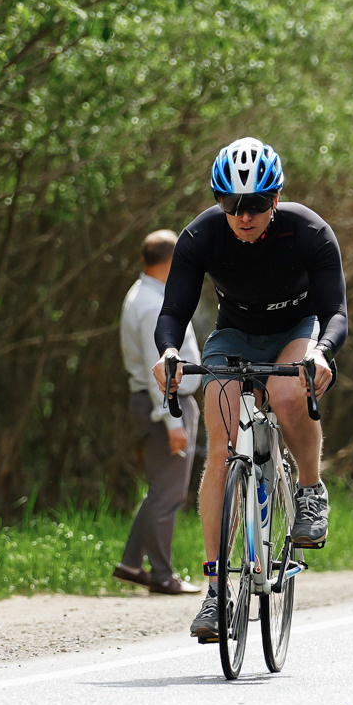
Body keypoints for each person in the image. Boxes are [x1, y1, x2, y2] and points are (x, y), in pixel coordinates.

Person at [153, 137, 345, 643]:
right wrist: (169, 352)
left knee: (286, 393)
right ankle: (217, 591)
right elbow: (173, 312)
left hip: (296, 331)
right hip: (234, 335)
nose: (244, 216)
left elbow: (336, 311)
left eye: (256, 204)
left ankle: (310, 490)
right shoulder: (201, 235)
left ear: (275, 198)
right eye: (231, 203)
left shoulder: (309, 231)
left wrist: (322, 352)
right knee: (219, 449)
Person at [114, 230, 203, 594]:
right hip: (168, 402)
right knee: (169, 496)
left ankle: (131, 564)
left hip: (158, 401)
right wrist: (173, 420)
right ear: (171, 261)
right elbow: (160, 372)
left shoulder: (142, 293)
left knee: (160, 491)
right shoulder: (153, 305)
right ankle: (163, 576)